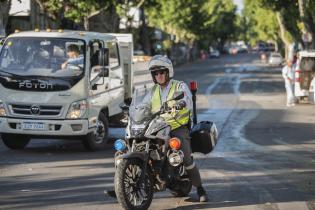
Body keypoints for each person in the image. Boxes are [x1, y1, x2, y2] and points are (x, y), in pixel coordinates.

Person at [106, 55, 208, 202]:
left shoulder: (179, 86)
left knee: (185, 156)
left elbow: (186, 98)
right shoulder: (153, 91)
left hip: (177, 126)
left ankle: (200, 188)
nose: (159, 76)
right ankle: (121, 186)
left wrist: (180, 103)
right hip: (157, 124)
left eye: (161, 72)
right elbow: (144, 106)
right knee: (128, 148)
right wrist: (132, 110)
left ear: (168, 72)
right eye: (155, 73)